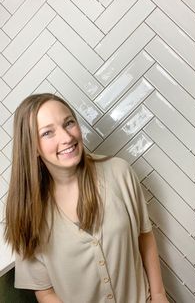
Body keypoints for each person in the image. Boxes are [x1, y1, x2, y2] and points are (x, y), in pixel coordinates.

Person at [4, 93, 169, 303]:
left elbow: (145, 237)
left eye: (69, 123)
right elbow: (44, 291)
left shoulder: (119, 173)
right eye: (48, 133)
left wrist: (158, 295)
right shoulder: (27, 212)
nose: (66, 137)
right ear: (32, 147)